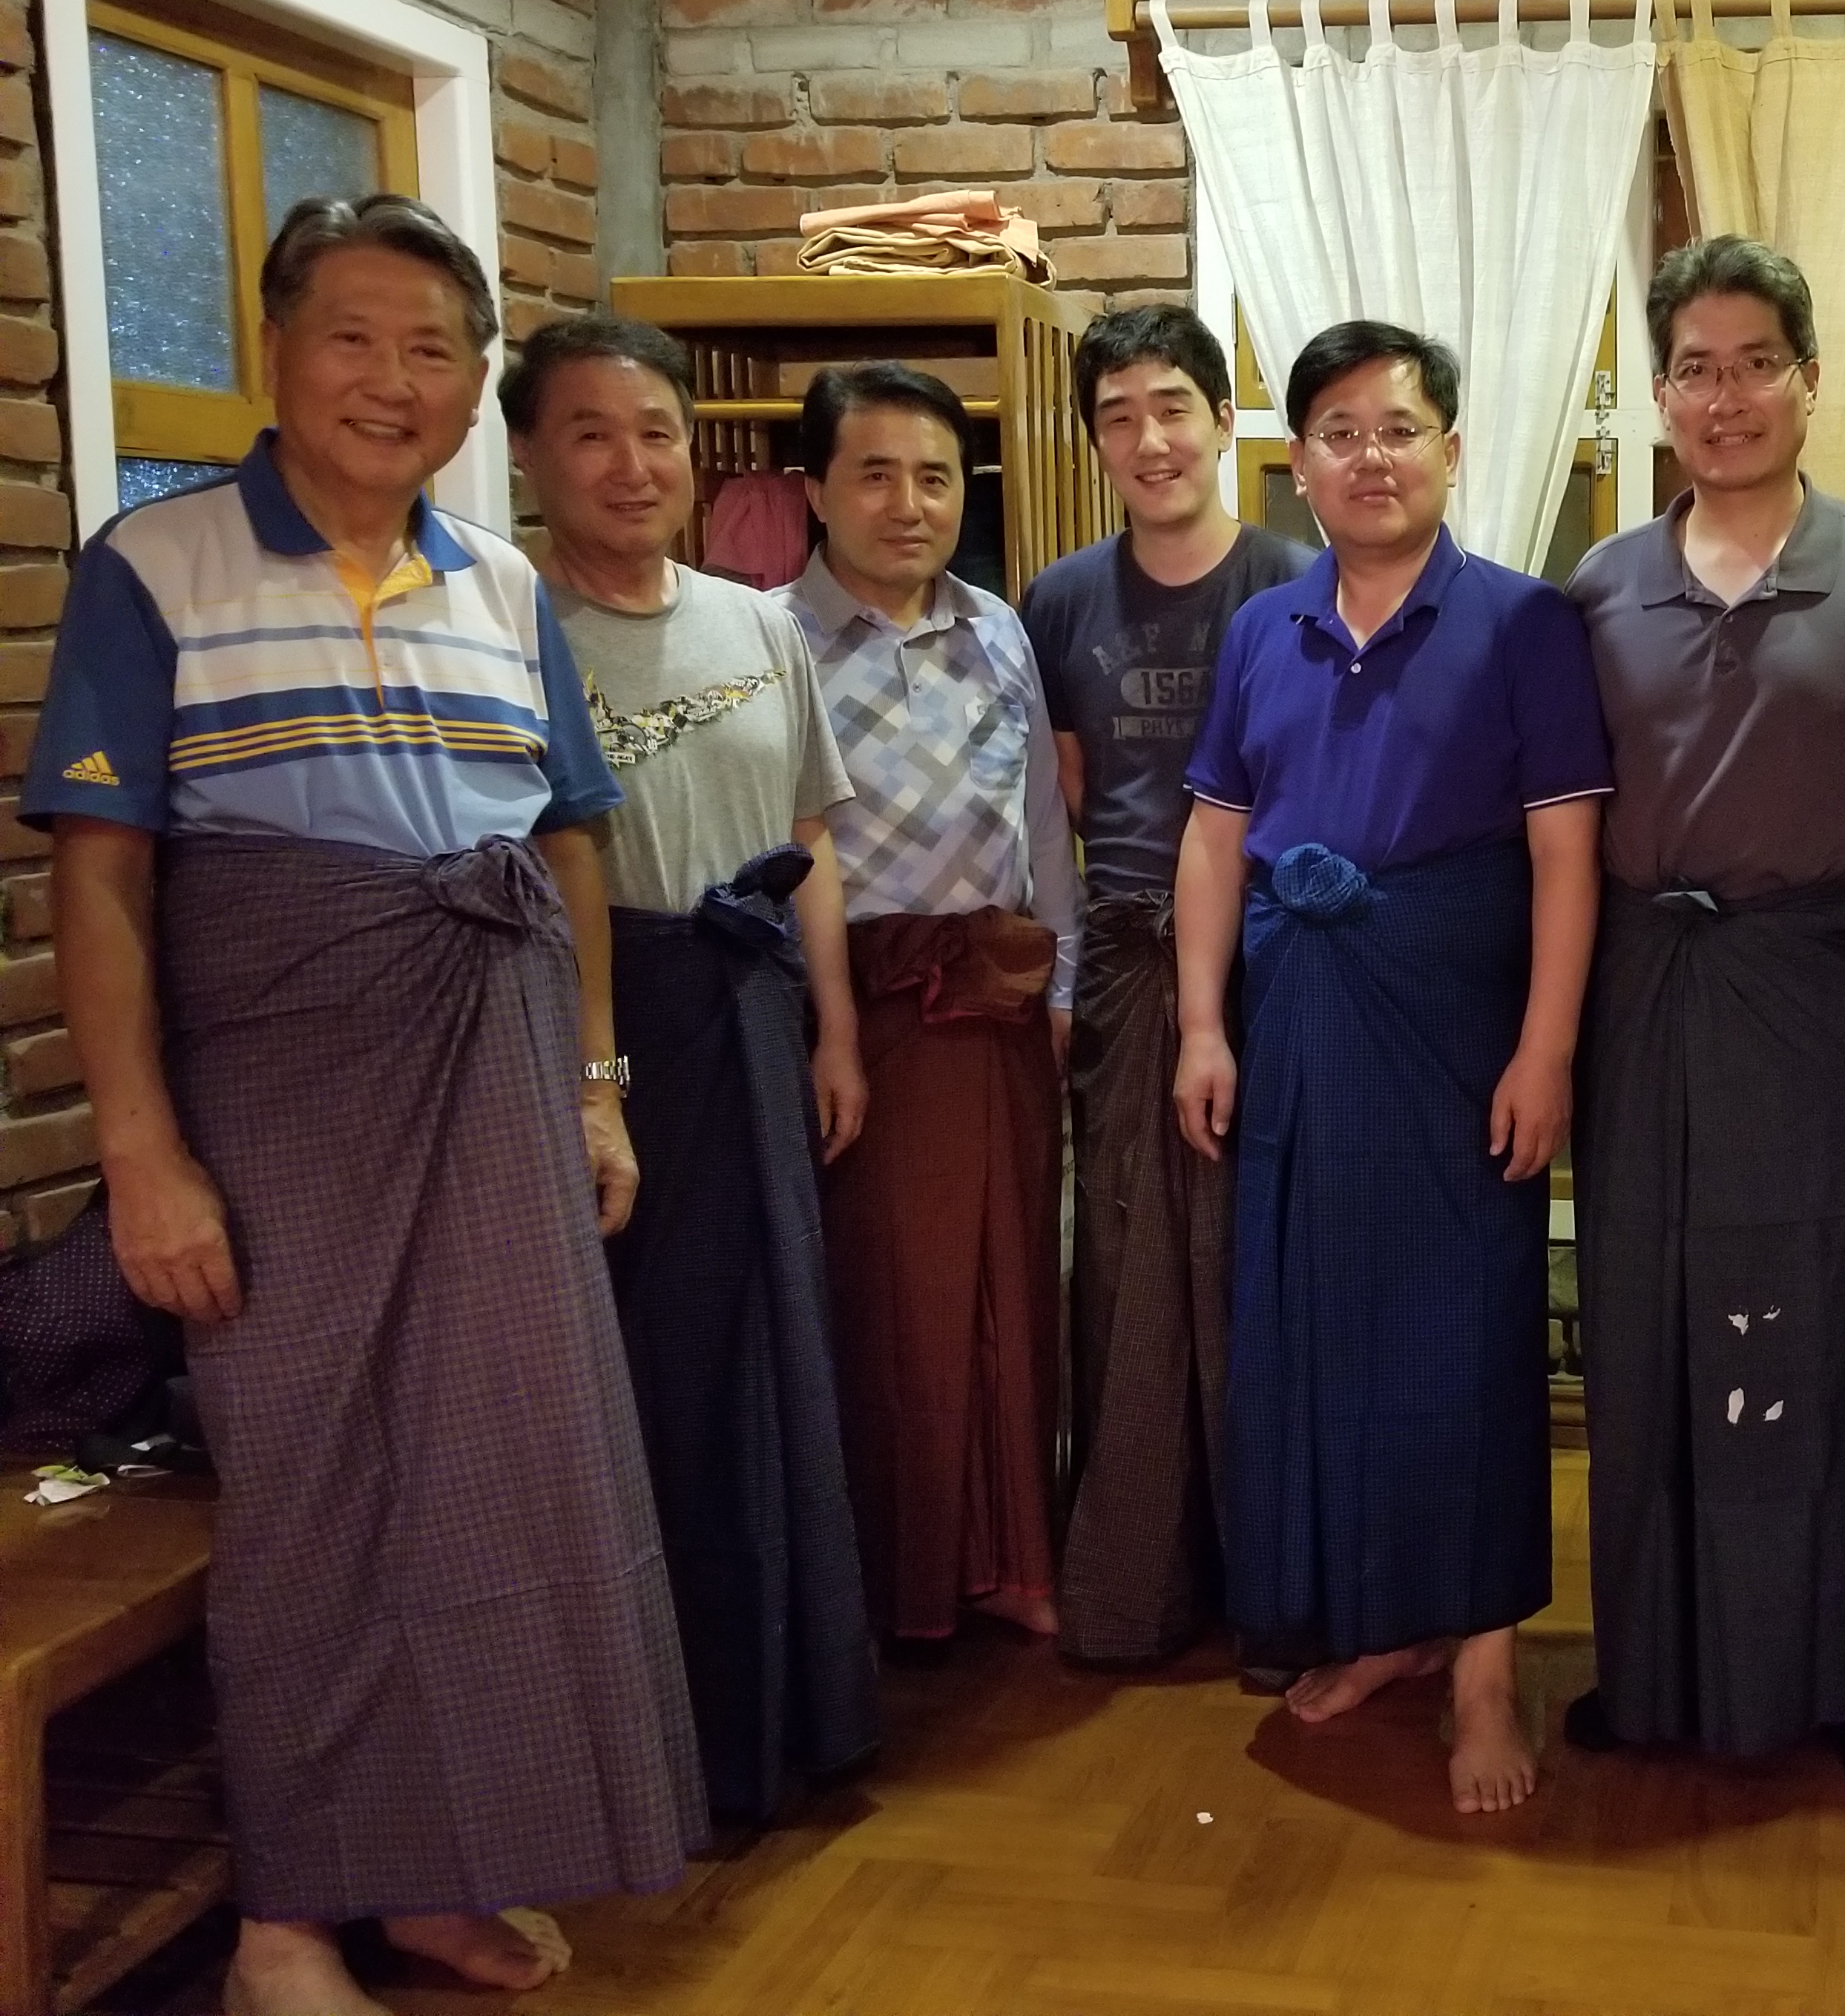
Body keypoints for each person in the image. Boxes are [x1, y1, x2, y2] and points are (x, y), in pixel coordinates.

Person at [27, 196, 702, 2016]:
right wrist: (143, 1154)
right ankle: (286, 1921)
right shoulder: (154, 565)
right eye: (355, 337)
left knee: (504, 1481)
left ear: (475, 386)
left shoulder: (503, 587)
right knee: (316, 1492)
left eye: (433, 351)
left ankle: (439, 1881)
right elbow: (101, 876)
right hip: (279, 1104)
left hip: (495, 1081)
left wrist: (598, 1091)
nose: (392, 382)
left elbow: (567, 847)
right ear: (277, 350)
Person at [1172, 320, 1608, 1814]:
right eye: (1341, 432)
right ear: (1299, 464)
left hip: (1457, 1023)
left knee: (1467, 1340)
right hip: (1299, 1015)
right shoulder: (1262, 628)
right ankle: (1374, 1623)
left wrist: (1545, 1047)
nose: (1373, 457)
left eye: (1401, 428)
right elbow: (1215, 837)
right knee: (1316, 1330)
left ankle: (1482, 1667)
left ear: (1453, 451)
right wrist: (1204, 1024)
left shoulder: (1524, 622)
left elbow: (1566, 855)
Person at [1562, 235, 1845, 1804]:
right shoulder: (1601, 589)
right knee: (1646, 1316)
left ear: (1810, 380)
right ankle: (1652, 1667)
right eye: (1695, 369)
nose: (1725, 398)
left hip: (1813, 994)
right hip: (1644, 994)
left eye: (1755, 365)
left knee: (1823, 1318)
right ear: (1660, 393)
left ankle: (1842, 1673)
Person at [506, 312, 881, 1822]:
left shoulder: (758, 626)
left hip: (754, 1008)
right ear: (527, 454)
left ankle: (787, 1713)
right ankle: (648, 1744)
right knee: (646, 1377)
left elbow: (809, 839)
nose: (630, 464)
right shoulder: (503, 624)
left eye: (656, 432)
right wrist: (588, 1076)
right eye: (589, 433)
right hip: (600, 1037)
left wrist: (833, 1028)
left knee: (776, 1354)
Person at [1022, 305, 1312, 1668]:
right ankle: (1139, 1580)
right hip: (1129, 966)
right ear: (1096, 441)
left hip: (1278, 963)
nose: (1150, 439)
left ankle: (1275, 1583)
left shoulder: (1293, 581)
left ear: (1222, 419)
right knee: (1128, 1265)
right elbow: (1071, 799)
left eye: (1173, 406)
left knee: (1259, 1263)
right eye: (1119, 416)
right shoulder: (1061, 601)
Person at [777, 364, 1082, 1650]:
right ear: (814, 490)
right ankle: (901, 1578)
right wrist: (832, 1028)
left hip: (999, 990)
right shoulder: (769, 640)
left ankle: (1011, 1557)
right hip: (861, 1007)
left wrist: (1065, 978)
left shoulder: (997, 627)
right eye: (876, 474)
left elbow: (1043, 822)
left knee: (1015, 1281)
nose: (909, 504)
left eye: (937, 478)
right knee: (895, 1298)